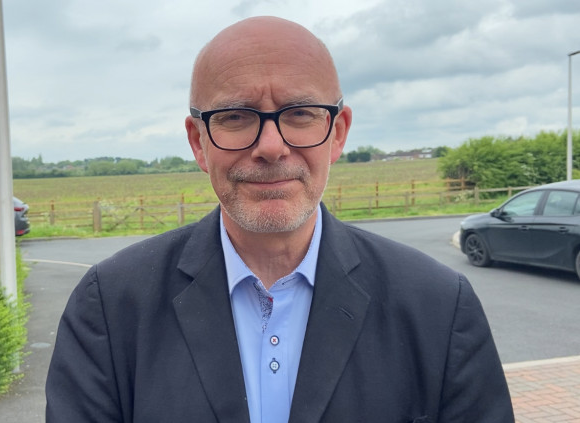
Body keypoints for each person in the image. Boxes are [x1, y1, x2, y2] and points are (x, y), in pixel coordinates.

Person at [46, 16, 514, 422]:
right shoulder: (110, 306)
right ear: (197, 142)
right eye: (234, 116)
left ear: (337, 133)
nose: (271, 146)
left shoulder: (438, 306)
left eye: (301, 113)